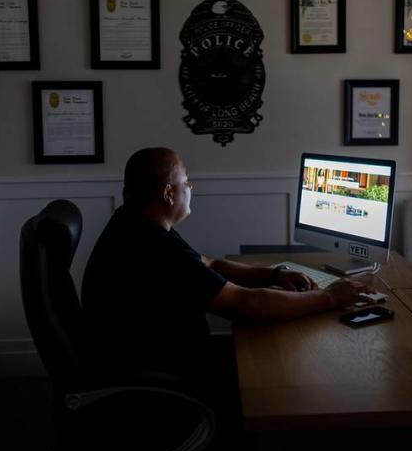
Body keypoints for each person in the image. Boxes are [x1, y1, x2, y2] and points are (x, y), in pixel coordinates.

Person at [81, 147, 370, 394]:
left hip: (151, 359)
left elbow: (210, 264)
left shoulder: (134, 224)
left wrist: (273, 274)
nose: (191, 187)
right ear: (168, 193)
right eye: (186, 181)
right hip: (164, 376)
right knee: (288, 371)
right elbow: (248, 305)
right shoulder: (154, 246)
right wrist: (330, 298)